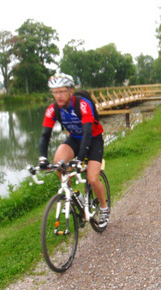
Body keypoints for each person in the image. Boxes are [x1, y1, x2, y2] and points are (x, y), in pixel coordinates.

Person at [38, 73, 110, 227]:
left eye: (62, 91)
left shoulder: (83, 104)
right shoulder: (53, 109)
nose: (58, 96)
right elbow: (45, 134)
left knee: (92, 178)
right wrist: (42, 158)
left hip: (93, 139)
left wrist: (79, 159)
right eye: (55, 92)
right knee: (58, 163)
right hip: (75, 140)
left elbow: (87, 132)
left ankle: (104, 208)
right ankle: (73, 196)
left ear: (71, 90)